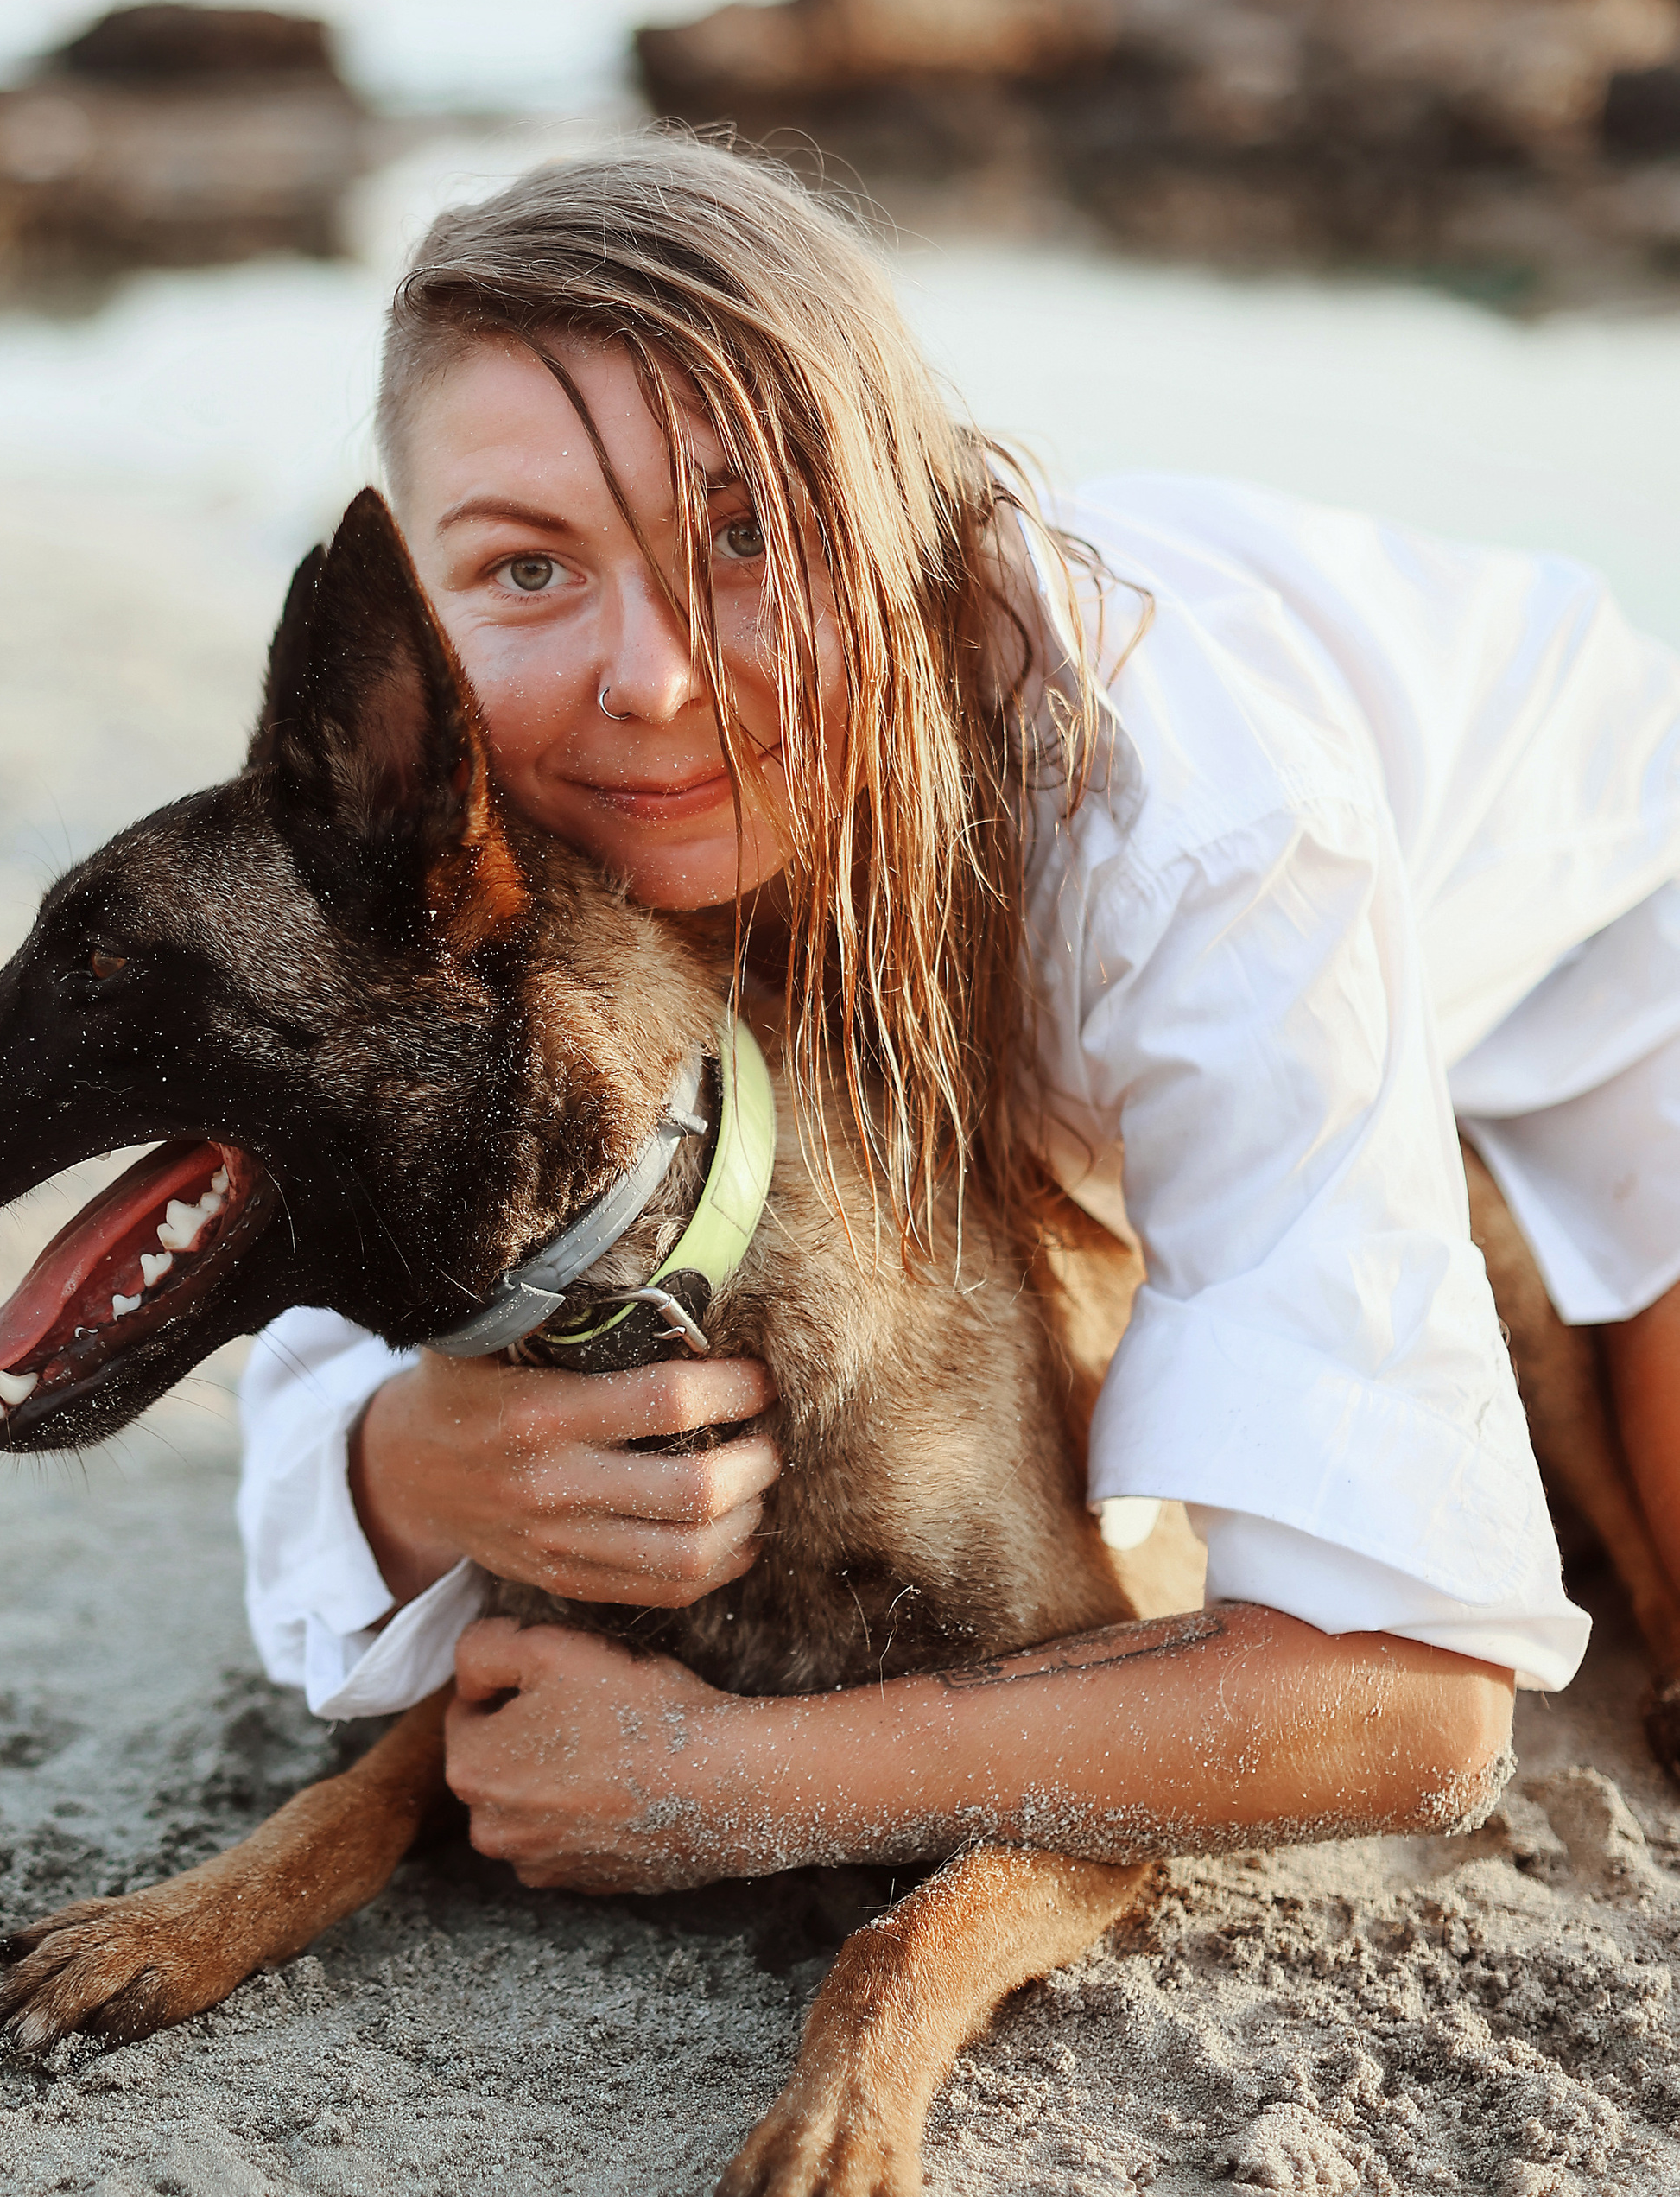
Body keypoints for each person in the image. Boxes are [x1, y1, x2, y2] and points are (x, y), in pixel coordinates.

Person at [236, 139, 1680, 1891]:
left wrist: (741, 1777)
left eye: (746, 532)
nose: (655, 680)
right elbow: (330, 1235)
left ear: (902, 521)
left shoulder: (1199, 817)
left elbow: (1410, 1710)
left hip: (1607, 934)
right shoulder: (487, 787)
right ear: (428, 609)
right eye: (526, 569)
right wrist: (402, 1467)